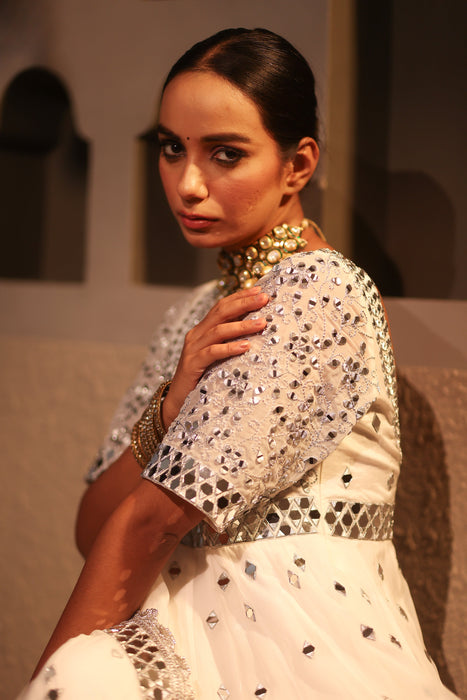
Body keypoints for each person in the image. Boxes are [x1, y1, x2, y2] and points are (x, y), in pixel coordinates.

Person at [19, 27, 457, 700]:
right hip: (175, 625)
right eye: (172, 148)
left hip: (296, 649)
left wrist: (42, 683)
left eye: (225, 153)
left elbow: (153, 523)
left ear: (297, 165)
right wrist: (167, 408)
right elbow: (92, 527)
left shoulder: (317, 291)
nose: (187, 184)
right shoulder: (194, 314)